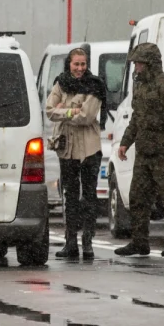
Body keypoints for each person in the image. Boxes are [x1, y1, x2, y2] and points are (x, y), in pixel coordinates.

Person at [114, 42, 164, 258]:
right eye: (136, 63)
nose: (136, 68)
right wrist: (125, 142)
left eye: (139, 63)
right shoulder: (140, 86)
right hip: (144, 154)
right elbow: (137, 118)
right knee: (138, 198)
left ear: (150, 64)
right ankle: (139, 243)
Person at [46, 47, 107, 261]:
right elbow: (49, 110)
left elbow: (87, 117)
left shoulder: (95, 85)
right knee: (70, 197)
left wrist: (64, 110)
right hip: (67, 149)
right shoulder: (60, 83)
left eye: (83, 64)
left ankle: (87, 243)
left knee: (89, 197)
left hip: (90, 149)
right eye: (76, 64)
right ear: (69, 64)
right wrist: (73, 110)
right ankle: (70, 242)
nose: (80, 68)